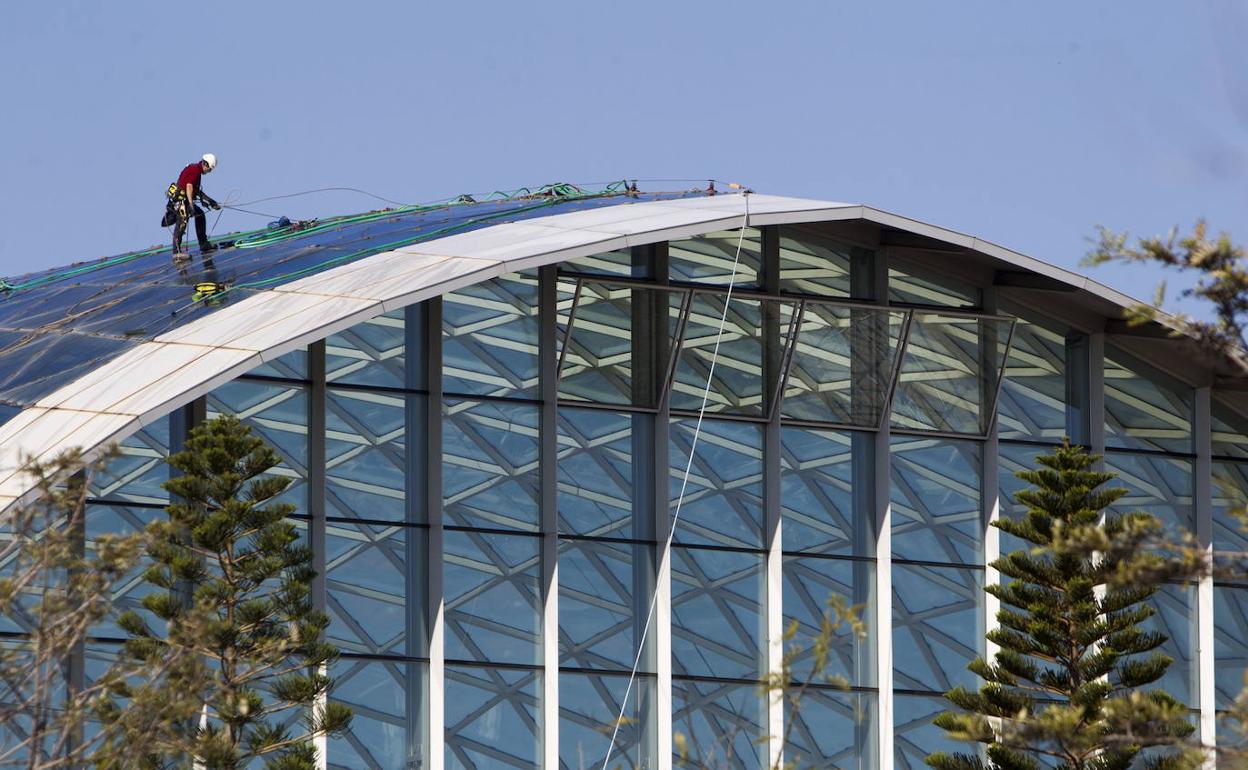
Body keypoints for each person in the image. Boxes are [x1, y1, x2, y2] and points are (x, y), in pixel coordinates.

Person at [164, 153, 221, 256]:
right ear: (206, 165)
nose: (209, 172)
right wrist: (190, 204)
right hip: (179, 202)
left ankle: (203, 244)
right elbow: (189, 187)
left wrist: (211, 201)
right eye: (210, 170)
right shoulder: (195, 171)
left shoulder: (196, 170)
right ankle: (176, 253)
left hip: (184, 201)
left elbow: (196, 191)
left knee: (199, 214)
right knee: (182, 223)